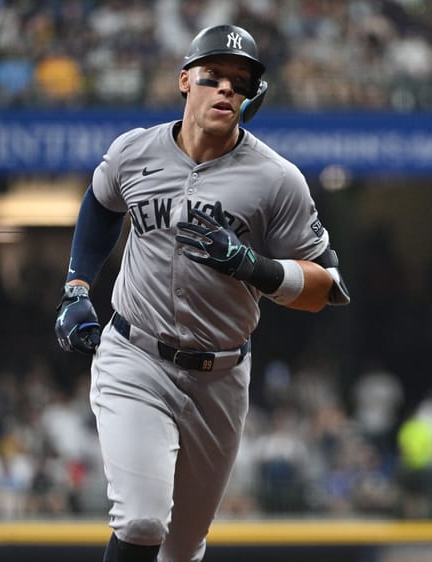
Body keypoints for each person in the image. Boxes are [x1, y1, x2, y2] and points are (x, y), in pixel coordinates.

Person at [54, 24, 350, 562]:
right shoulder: (134, 151)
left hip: (221, 376)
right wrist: (76, 287)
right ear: (185, 80)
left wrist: (253, 266)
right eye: (213, 75)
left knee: (182, 548)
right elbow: (101, 202)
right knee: (142, 520)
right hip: (136, 357)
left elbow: (327, 287)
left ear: (252, 97)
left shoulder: (277, 178)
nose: (226, 88)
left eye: (241, 82)